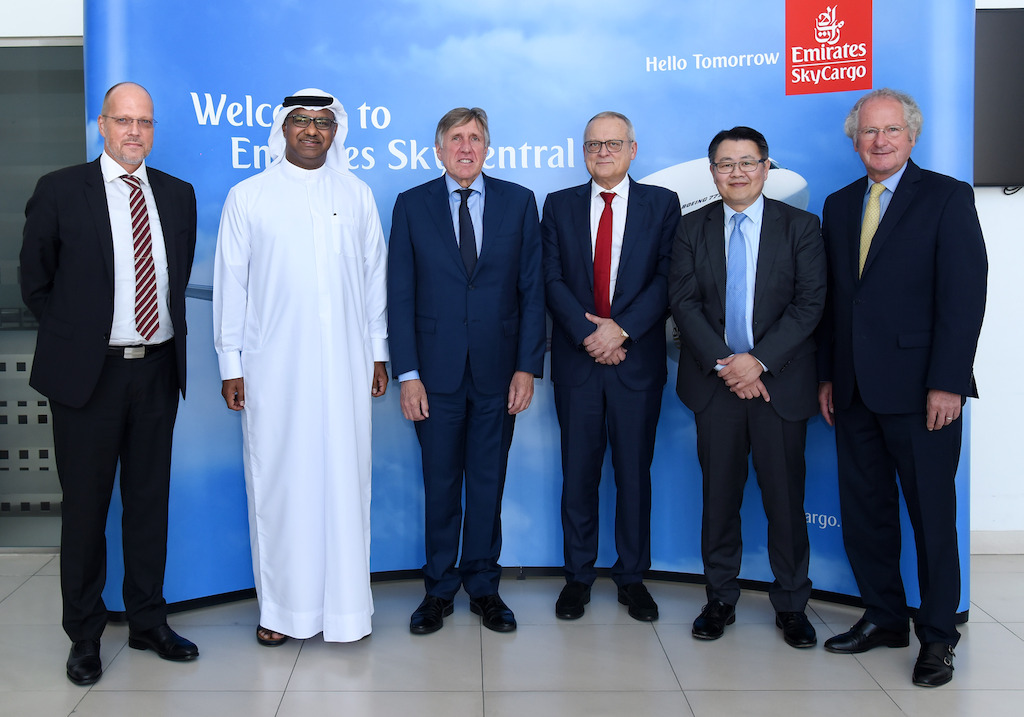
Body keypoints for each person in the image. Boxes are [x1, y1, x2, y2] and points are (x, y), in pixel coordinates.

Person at [20, 82, 198, 685]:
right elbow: (36, 283)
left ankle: (148, 621)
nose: (134, 133)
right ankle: (85, 635)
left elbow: (175, 281)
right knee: (87, 511)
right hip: (87, 378)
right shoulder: (60, 190)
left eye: (144, 122)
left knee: (149, 505)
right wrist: (77, 340)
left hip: (156, 370)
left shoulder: (178, 195)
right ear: (102, 125)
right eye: (123, 121)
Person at [817, 88, 987, 687]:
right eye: (869, 132)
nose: (880, 141)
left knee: (932, 519)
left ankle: (938, 636)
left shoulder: (946, 197)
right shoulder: (838, 206)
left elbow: (964, 299)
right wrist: (829, 376)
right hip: (855, 390)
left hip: (923, 395)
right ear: (855, 140)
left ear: (911, 137)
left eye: (891, 131)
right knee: (866, 514)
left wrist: (948, 383)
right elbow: (837, 303)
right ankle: (885, 616)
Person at [213, 88, 389, 645]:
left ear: (335, 131)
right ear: (284, 129)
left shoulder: (356, 194)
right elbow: (230, 286)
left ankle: (345, 614)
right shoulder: (248, 197)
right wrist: (230, 364)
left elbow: (374, 282)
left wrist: (379, 353)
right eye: (301, 122)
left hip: (346, 368)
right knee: (280, 484)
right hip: (274, 371)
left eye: (323, 123)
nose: (312, 131)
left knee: (344, 481)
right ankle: (282, 612)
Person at [387, 107, 545, 635]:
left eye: (475, 138)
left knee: (486, 482)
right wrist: (407, 374)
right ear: (438, 149)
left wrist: (527, 368)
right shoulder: (411, 206)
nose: (466, 146)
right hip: (434, 378)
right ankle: (437, 589)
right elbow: (400, 297)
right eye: (456, 138)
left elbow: (532, 292)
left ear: (487, 148)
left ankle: (483, 586)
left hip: (500, 376)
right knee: (439, 484)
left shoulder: (520, 203)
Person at [669, 126, 825, 648]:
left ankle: (792, 603)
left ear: (764, 166)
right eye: (725, 164)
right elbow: (684, 305)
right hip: (715, 388)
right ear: (712, 172)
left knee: (785, 501)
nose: (737, 172)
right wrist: (727, 366)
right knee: (718, 500)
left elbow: (809, 305)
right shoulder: (691, 228)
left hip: (778, 387)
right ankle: (719, 599)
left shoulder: (801, 226)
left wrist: (756, 363)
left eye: (747, 162)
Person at [541, 111, 680, 621]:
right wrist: (588, 334)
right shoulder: (558, 206)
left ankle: (632, 577)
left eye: (613, 143)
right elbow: (550, 279)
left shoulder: (662, 205)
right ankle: (577, 577)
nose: (603, 152)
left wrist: (619, 330)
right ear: (584, 152)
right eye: (594, 145)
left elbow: (668, 278)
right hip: (578, 364)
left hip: (635, 361)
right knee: (577, 475)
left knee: (633, 475)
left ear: (632, 150)